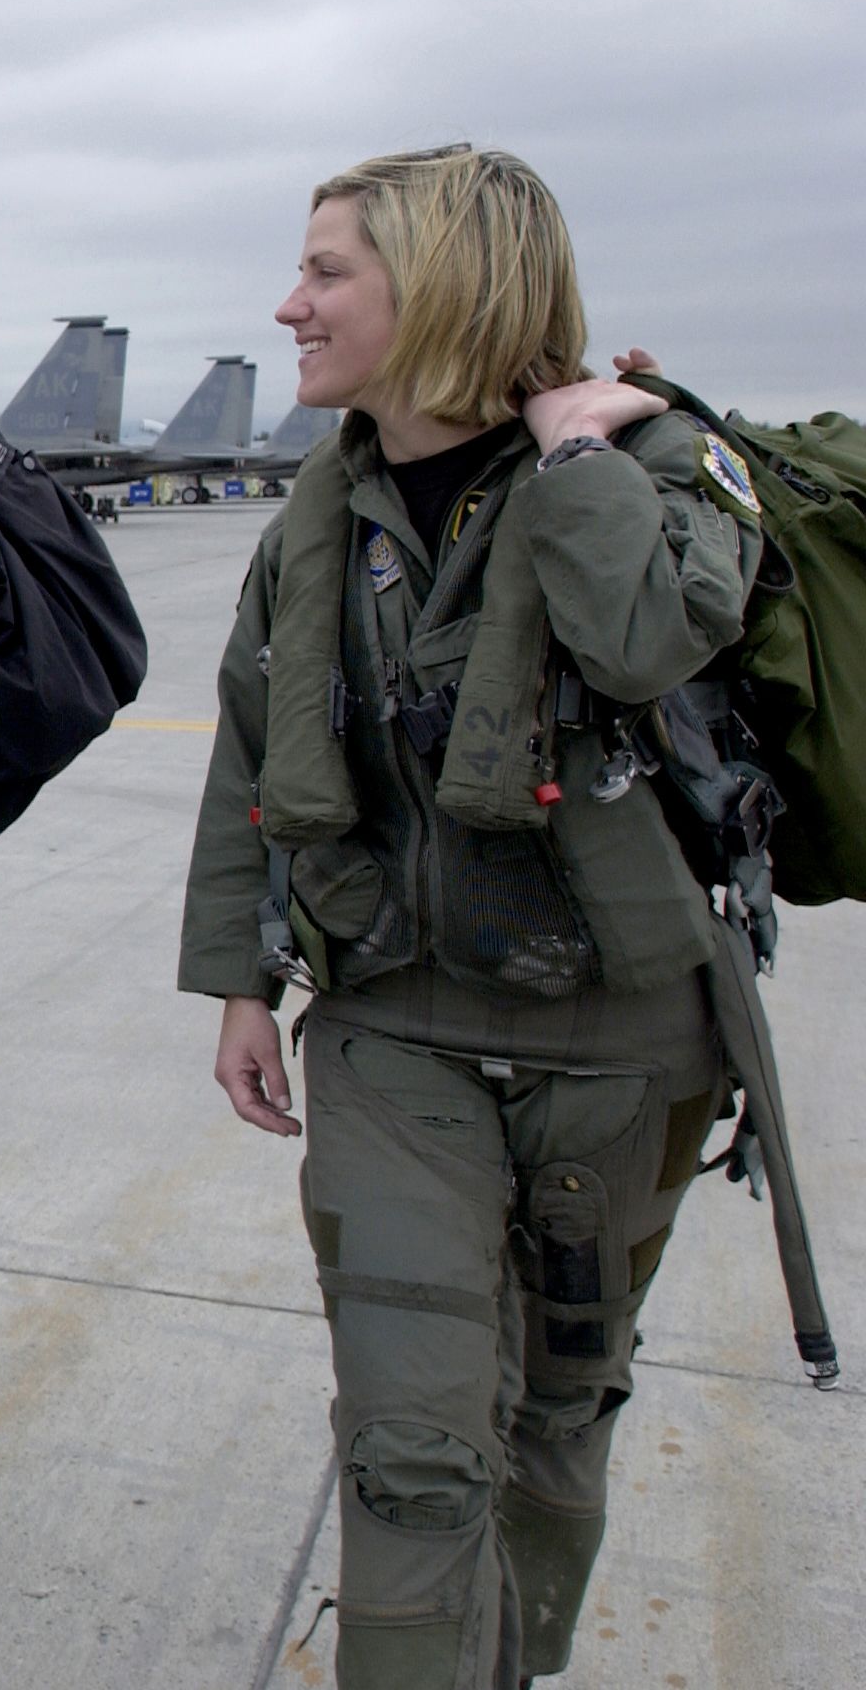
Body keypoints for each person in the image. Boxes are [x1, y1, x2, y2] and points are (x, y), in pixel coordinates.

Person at [181, 145, 763, 1689]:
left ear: (436, 283)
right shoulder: (318, 516)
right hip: (396, 1028)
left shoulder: (659, 470)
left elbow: (644, 638)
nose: (289, 304)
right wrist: (242, 976)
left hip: (621, 1045)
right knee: (414, 1449)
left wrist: (577, 467)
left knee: (556, 1422)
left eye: (327, 272)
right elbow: (253, 747)